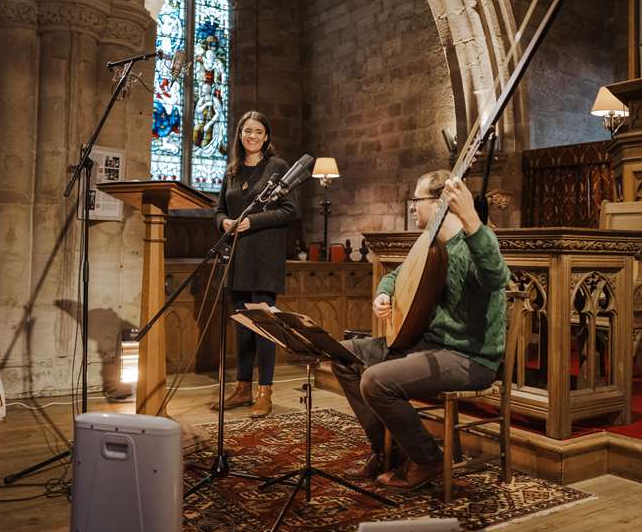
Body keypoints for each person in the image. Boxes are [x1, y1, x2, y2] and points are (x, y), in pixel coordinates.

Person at [331, 170, 509, 489]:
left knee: (375, 380)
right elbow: (396, 275)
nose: (412, 206)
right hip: (429, 345)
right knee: (344, 355)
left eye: (417, 199)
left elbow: (497, 277)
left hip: (469, 357)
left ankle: (428, 460)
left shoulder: (473, 244)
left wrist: (472, 221)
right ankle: (391, 453)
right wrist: (383, 293)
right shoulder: (431, 243)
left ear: (441, 202)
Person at [212, 110, 298, 418]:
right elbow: (219, 208)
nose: (252, 136)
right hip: (237, 258)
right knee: (243, 329)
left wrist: (252, 221)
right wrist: (223, 222)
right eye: (247, 131)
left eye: (258, 131)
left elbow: (289, 211)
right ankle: (243, 388)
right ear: (240, 134)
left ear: (266, 136)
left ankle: (265, 392)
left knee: (264, 328)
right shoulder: (232, 170)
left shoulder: (277, 167)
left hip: (264, 258)